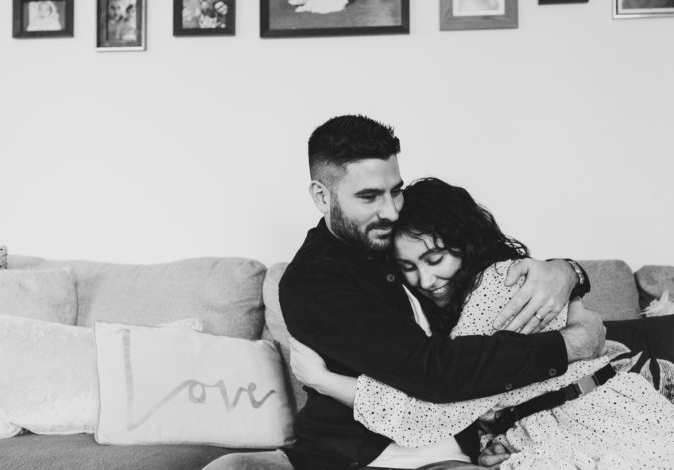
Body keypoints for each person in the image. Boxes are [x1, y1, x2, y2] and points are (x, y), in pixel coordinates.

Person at [203, 115, 669, 470]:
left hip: (464, 432)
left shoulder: (393, 237)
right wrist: (570, 344)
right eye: (369, 197)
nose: (389, 210)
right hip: (374, 449)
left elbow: (481, 263)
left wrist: (565, 271)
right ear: (322, 196)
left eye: (395, 191)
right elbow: (435, 373)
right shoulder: (315, 282)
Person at [289, 177, 674, 469]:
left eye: (435, 258)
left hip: (599, 425)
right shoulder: (448, 304)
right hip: (558, 425)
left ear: (465, 241)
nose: (426, 280)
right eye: (408, 267)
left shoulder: (499, 287)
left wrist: (326, 381)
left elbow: (434, 405)